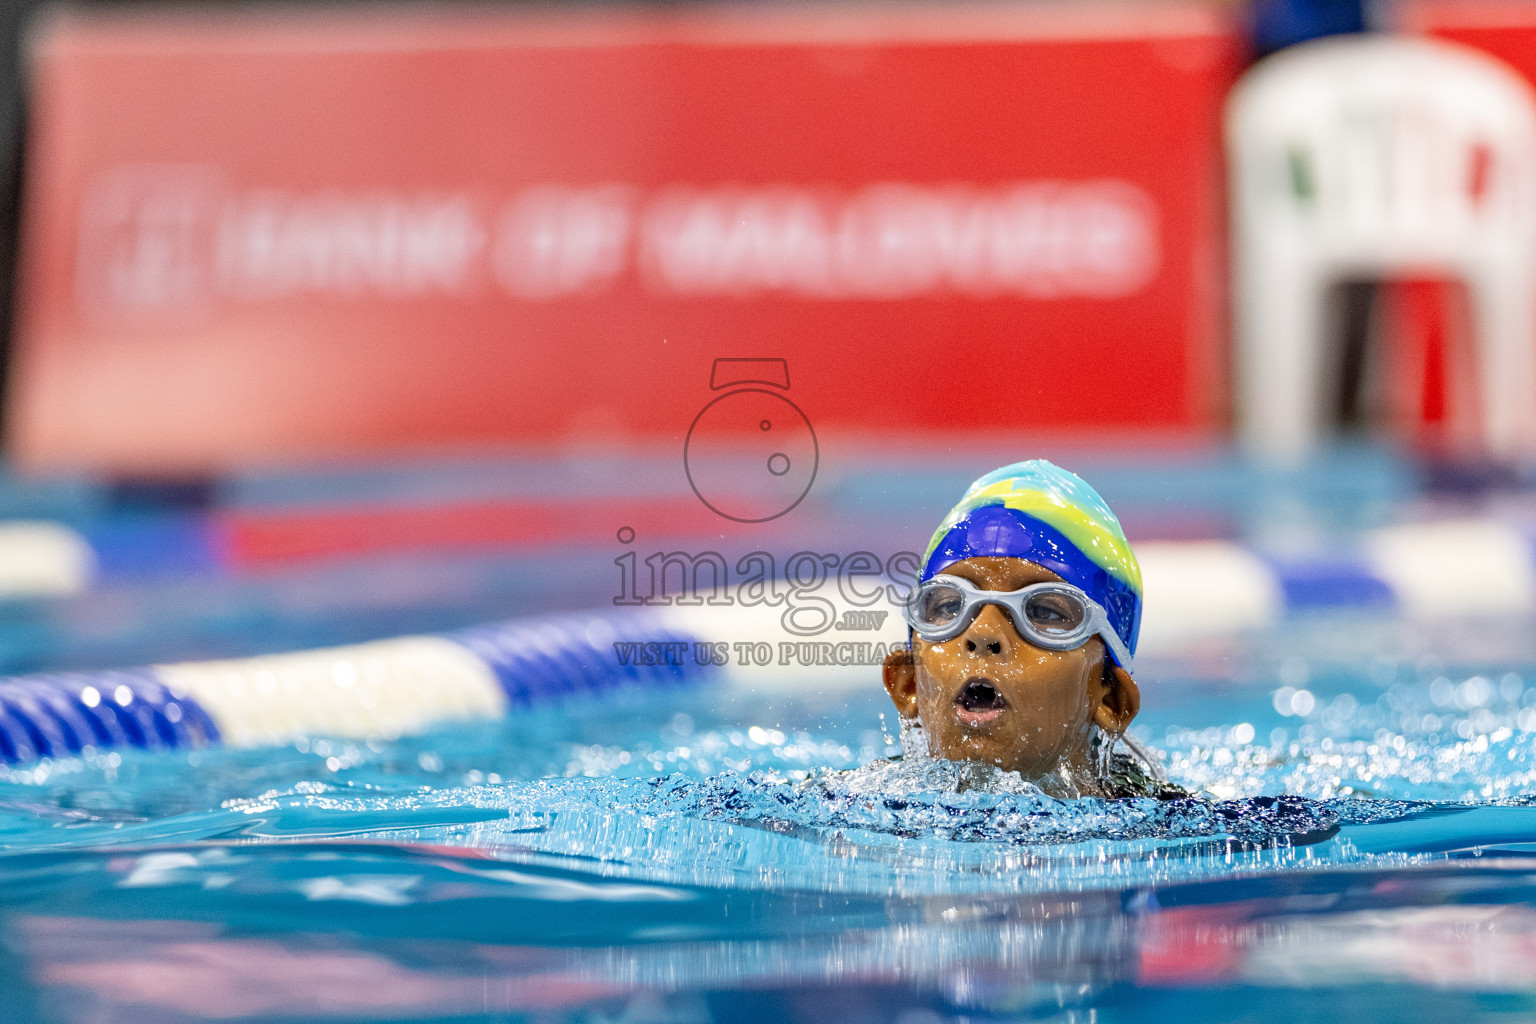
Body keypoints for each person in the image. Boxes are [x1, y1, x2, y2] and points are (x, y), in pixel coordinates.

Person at [880, 460, 1184, 799]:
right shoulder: (860, 800)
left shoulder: (1179, 823)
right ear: (908, 683)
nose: (983, 633)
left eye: (1043, 612)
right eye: (950, 606)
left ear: (1111, 700)